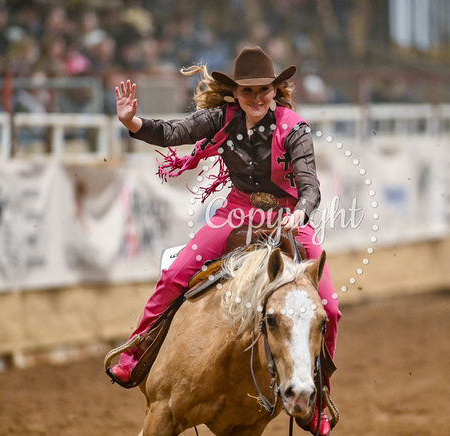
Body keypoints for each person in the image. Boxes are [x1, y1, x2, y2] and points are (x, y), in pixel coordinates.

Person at [109, 46, 340, 435]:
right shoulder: (221, 118)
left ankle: (316, 398)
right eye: (247, 91)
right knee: (176, 273)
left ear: (275, 90)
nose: (255, 97)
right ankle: (137, 350)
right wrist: (133, 123)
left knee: (329, 309)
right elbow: (172, 132)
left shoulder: (294, 128)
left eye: (263, 90)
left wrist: (301, 211)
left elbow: (310, 184)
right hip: (237, 211)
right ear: (235, 93)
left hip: (288, 216)